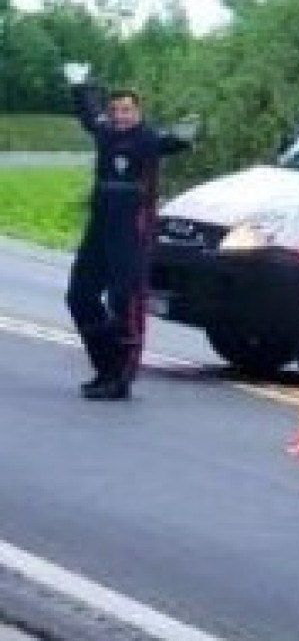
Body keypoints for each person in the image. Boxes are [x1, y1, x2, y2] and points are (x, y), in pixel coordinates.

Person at [61, 62, 198, 400]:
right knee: (80, 297)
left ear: (138, 112)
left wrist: (186, 134)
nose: (121, 116)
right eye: (116, 110)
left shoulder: (147, 139)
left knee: (123, 302)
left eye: (127, 110)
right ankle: (103, 367)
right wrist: (80, 86)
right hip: (100, 227)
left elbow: (172, 142)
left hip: (131, 231)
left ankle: (120, 377)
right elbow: (89, 116)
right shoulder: (106, 133)